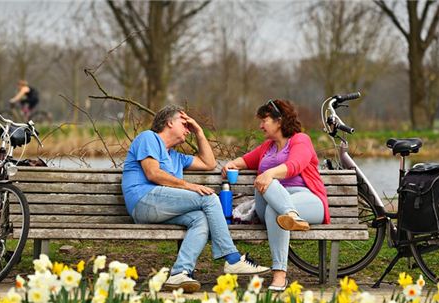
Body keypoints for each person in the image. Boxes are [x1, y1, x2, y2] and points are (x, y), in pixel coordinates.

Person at [122, 105, 270, 293]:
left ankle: (179, 273)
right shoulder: (148, 138)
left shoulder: (175, 157)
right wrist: (190, 186)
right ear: (169, 122)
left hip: (159, 208)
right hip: (143, 201)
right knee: (208, 198)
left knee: (200, 219)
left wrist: (199, 131)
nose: (187, 129)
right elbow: (153, 173)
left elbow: (209, 163)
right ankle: (233, 259)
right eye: (184, 124)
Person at [222, 99, 330, 292]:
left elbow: (295, 165)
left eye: (264, 120)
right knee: (271, 196)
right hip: (273, 200)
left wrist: (269, 173)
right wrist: (232, 164)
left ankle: (279, 275)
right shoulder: (267, 147)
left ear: (279, 121)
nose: (260, 125)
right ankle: (290, 215)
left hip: (306, 199)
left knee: (275, 211)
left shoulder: (300, 140)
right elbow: (245, 160)